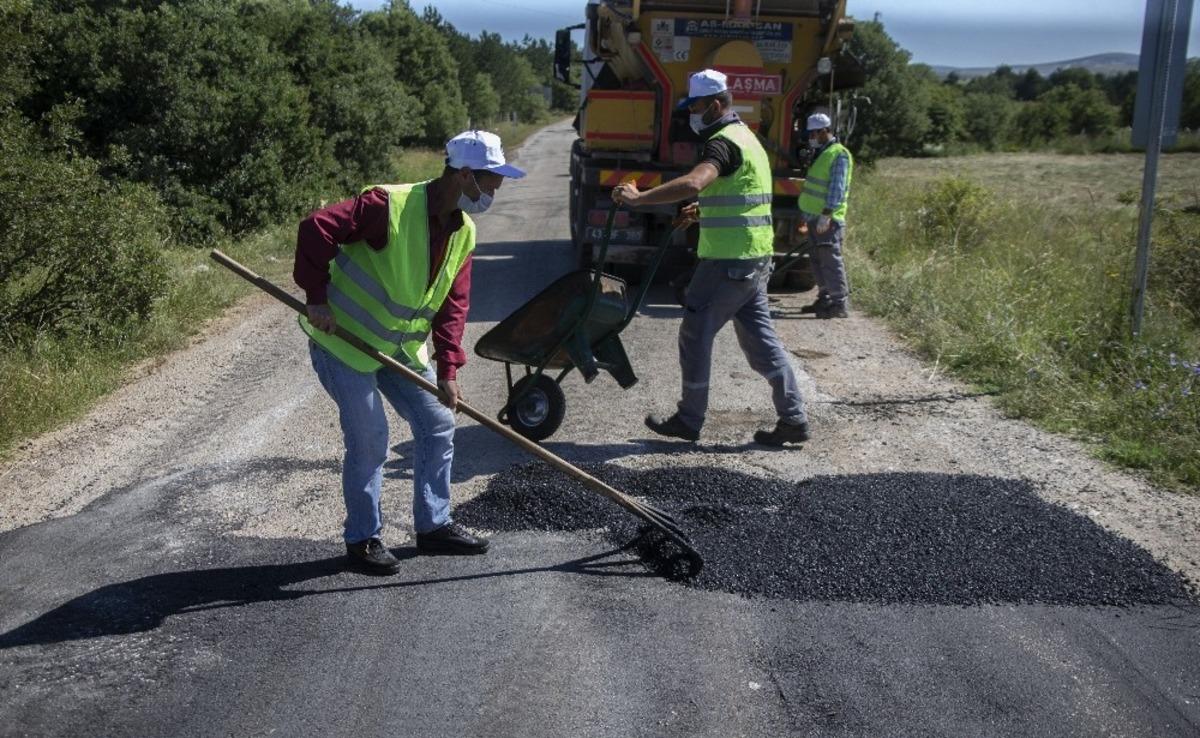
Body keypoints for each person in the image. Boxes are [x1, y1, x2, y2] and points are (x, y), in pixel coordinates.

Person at [293, 130, 525, 574]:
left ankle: (434, 525)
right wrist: (316, 296)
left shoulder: (463, 230)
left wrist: (448, 368)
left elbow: (453, 305)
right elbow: (316, 227)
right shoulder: (387, 206)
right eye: (491, 179)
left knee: (437, 423)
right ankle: (362, 538)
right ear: (463, 175)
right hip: (343, 342)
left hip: (396, 348)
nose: (496, 188)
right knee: (370, 437)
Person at [612, 69, 810, 447]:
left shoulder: (722, 143)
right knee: (762, 345)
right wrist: (702, 212)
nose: (693, 115)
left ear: (717, 105)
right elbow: (742, 195)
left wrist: (639, 199)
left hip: (727, 261)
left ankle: (689, 419)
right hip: (753, 259)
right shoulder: (748, 139)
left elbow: (694, 182)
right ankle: (793, 419)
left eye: (698, 107)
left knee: (695, 334)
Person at [798, 112, 854, 319]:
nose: (811, 137)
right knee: (817, 260)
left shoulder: (838, 154)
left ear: (824, 131)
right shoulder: (823, 152)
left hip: (827, 219)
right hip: (814, 216)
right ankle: (825, 298)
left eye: (813, 133)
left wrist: (827, 214)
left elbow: (836, 188)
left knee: (830, 261)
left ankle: (839, 303)